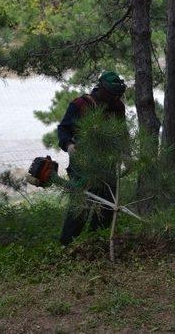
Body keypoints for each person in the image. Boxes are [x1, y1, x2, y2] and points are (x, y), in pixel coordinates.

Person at [57, 71, 128, 245]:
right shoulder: (80, 105)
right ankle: (67, 247)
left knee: (107, 207)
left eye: (117, 95)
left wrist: (127, 156)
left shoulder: (118, 107)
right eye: (112, 95)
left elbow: (122, 134)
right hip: (82, 165)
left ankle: (97, 243)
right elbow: (63, 129)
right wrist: (69, 145)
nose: (115, 98)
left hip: (107, 163)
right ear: (102, 89)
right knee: (81, 207)